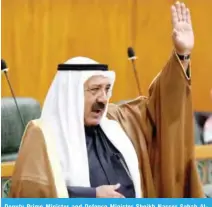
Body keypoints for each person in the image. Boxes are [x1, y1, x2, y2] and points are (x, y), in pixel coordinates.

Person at [9, 2, 204, 198]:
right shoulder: (43, 134)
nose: (103, 99)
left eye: (107, 89)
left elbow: (162, 108)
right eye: (94, 90)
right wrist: (92, 195)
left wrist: (181, 55)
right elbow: (31, 192)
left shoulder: (117, 120)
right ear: (71, 93)